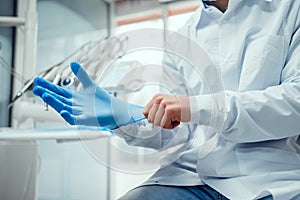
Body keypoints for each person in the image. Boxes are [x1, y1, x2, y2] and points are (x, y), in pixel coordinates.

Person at [33, 0, 300, 199]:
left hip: (271, 178)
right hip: (192, 178)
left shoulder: (289, 8)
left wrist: (195, 107)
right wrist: (127, 119)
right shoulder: (182, 37)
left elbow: (295, 103)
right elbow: (177, 133)